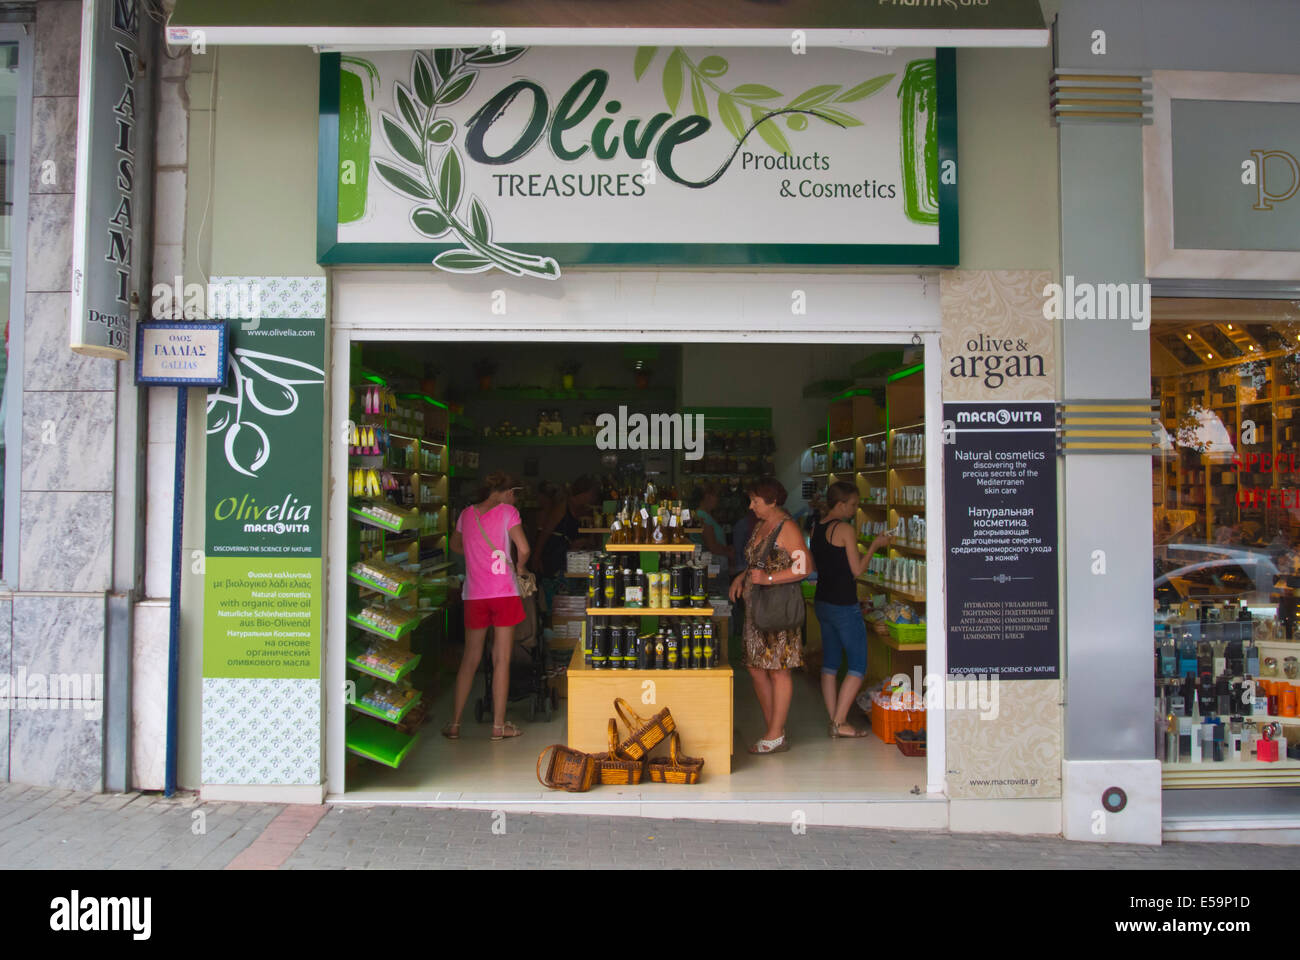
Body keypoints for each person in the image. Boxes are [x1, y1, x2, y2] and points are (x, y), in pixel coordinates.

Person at [729, 477, 814, 755]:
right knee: (755, 667)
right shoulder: (760, 526)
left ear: (773, 501)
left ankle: (774, 733)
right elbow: (757, 561)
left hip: (777, 609)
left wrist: (767, 578)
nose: (751, 505)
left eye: (756, 500)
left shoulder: (786, 528)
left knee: (778, 670)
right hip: (757, 609)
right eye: (751, 499)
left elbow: (804, 567)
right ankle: (774, 730)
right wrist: (743, 577)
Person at [445, 472, 531, 741]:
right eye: (514, 492)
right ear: (505, 492)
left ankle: (455, 725)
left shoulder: (466, 514)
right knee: (501, 659)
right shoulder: (508, 512)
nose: (515, 498)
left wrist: (475, 553)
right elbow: (524, 548)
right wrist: (519, 566)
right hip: (503, 592)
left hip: (475, 594)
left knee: (470, 659)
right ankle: (498, 726)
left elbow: (455, 544)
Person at [812, 480, 891, 737]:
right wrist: (874, 547)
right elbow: (856, 571)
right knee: (858, 665)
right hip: (844, 604)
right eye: (854, 505)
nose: (856, 510)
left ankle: (835, 720)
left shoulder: (817, 527)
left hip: (822, 601)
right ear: (841, 504)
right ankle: (840, 722)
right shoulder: (844, 529)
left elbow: (816, 567)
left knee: (831, 664)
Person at [689, 482, 734, 581]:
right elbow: (712, 546)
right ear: (707, 496)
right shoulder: (702, 517)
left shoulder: (705, 516)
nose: (718, 500)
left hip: (716, 564)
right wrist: (729, 552)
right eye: (716, 496)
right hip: (713, 565)